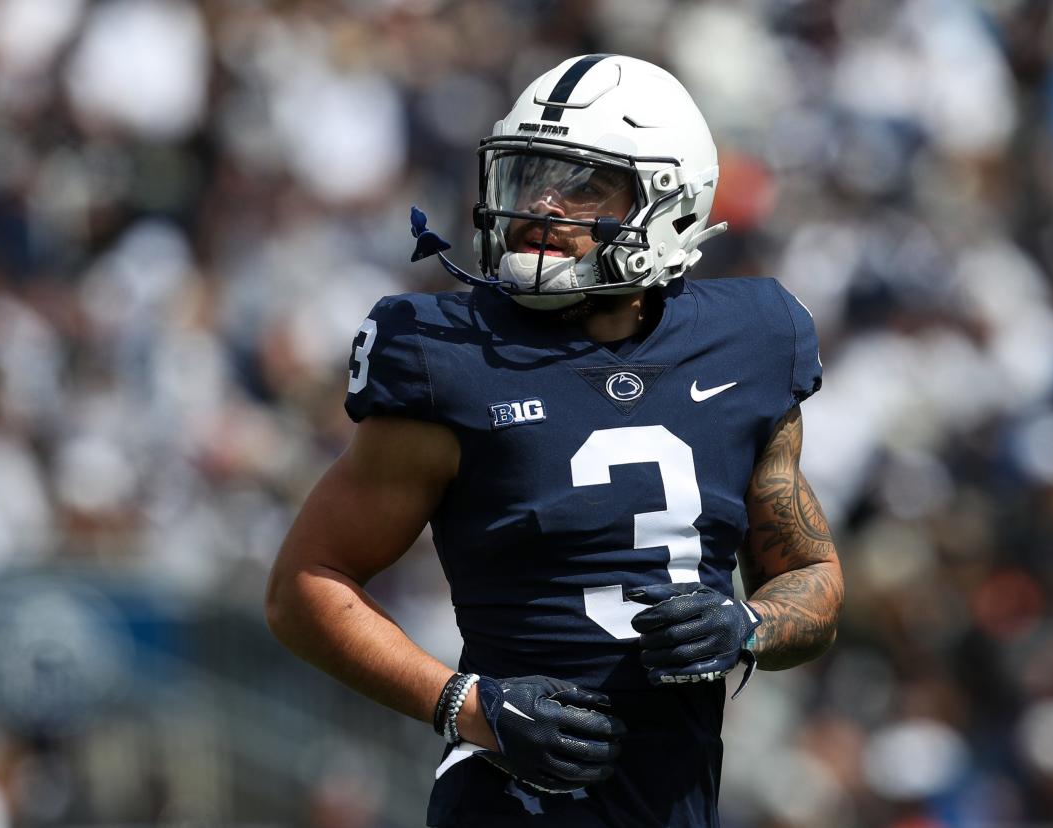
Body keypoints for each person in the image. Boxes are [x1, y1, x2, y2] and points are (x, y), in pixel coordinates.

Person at [266, 54, 844, 827]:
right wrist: (468, 706)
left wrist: (748, 625)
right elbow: (303, 585)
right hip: (506, 804)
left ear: (668, 202)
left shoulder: (753, 342)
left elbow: (812, 575)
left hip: (674, 804)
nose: (541, 204)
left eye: (582, 184)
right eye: (531, 174)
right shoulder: (452, 357)